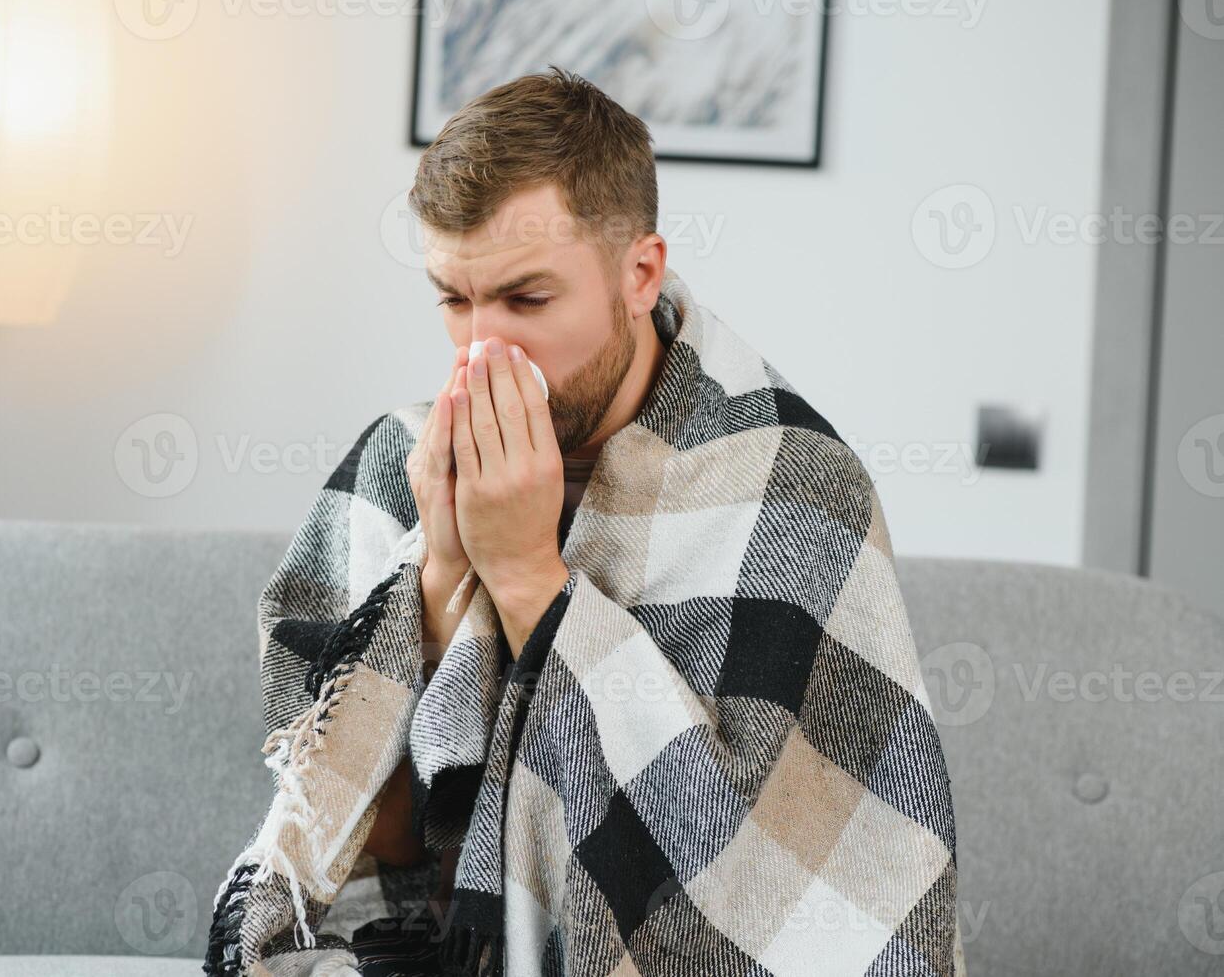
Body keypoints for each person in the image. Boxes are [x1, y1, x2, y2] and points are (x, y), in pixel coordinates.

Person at [207, 66, 960, 977]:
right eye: (454, 298)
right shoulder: (400, 463)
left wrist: (526, 575)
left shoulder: (792, 482)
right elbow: (374, 854)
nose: (483, 347)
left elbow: (745, 892)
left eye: (527, 300)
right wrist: (441, 578)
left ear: (639, 273)